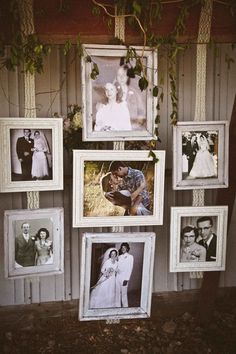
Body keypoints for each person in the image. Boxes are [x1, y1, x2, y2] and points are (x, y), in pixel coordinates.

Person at [116, 243, 134, 308]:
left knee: (124, 294)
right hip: (117, 277)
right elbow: (117, 266)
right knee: (117, 293)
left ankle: (125, 307)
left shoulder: (130, 257)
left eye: (124, 247)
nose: (123, 249)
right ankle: (118, 307)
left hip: (124, 278)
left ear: (127, 248)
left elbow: (130, 268)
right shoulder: (119, 257)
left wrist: (126, 279)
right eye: (122, 248)